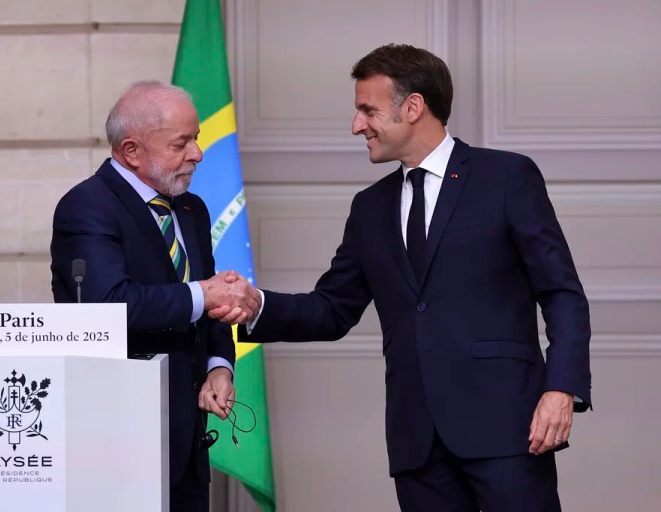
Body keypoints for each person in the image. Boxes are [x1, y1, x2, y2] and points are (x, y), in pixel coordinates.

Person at [214, 44, 592, 511]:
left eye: (366, 110)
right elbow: (332, 310)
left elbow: (562, 294)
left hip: (509, 429)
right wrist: (257, 305)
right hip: (418, 443)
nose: (356, 125)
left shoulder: (507, 177)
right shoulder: (370, 208)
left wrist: (561, 388)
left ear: (413, 107)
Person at [50, 80, 260, 512]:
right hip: (119, 441)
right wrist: (203, 292)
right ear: (131, 152)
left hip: (188, 443)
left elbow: (211, 304)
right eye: (181, 143)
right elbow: (108, 305)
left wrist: (219, 365)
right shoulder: (87, 207)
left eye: (197, 139)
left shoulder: (191, 208)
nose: (198, 154)